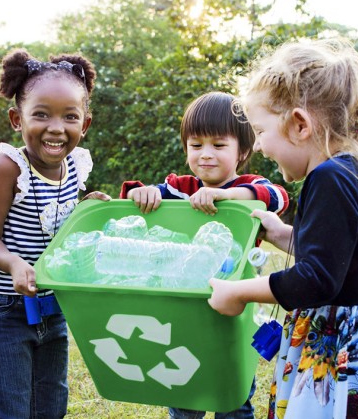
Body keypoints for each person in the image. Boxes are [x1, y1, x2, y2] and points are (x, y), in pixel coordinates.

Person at [208, 38, 358, 419]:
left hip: (342, 346)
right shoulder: (350, 168)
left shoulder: (328, 177)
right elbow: (336, 256)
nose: (261, 146)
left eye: (261, 131)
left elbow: (317, 279)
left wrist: (239, 292)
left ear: (299, 124)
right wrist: (280, 232)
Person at [120, 91, 289, 419]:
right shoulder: (180, 187)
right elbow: (143, 198)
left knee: (233, 391)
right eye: (196, 145)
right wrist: (144, 192)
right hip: (183, 304)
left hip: (235, 307)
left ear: (242, 150)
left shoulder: (248, 184)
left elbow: (276, 196)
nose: (206, 155)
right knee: (185, 386)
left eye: (218, 145)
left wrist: (227, 194)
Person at [0, 49, 110, 418]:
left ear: (84, 124)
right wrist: (15, 265)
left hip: (53, 307)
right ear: (16, 119)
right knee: (11, 409)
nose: (56, 127)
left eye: (70, 116)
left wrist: (86, 210)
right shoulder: (8, 167)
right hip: (2, 309)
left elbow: (60, 227)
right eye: (41, 114)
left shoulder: (75, 165)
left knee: (52, 405)